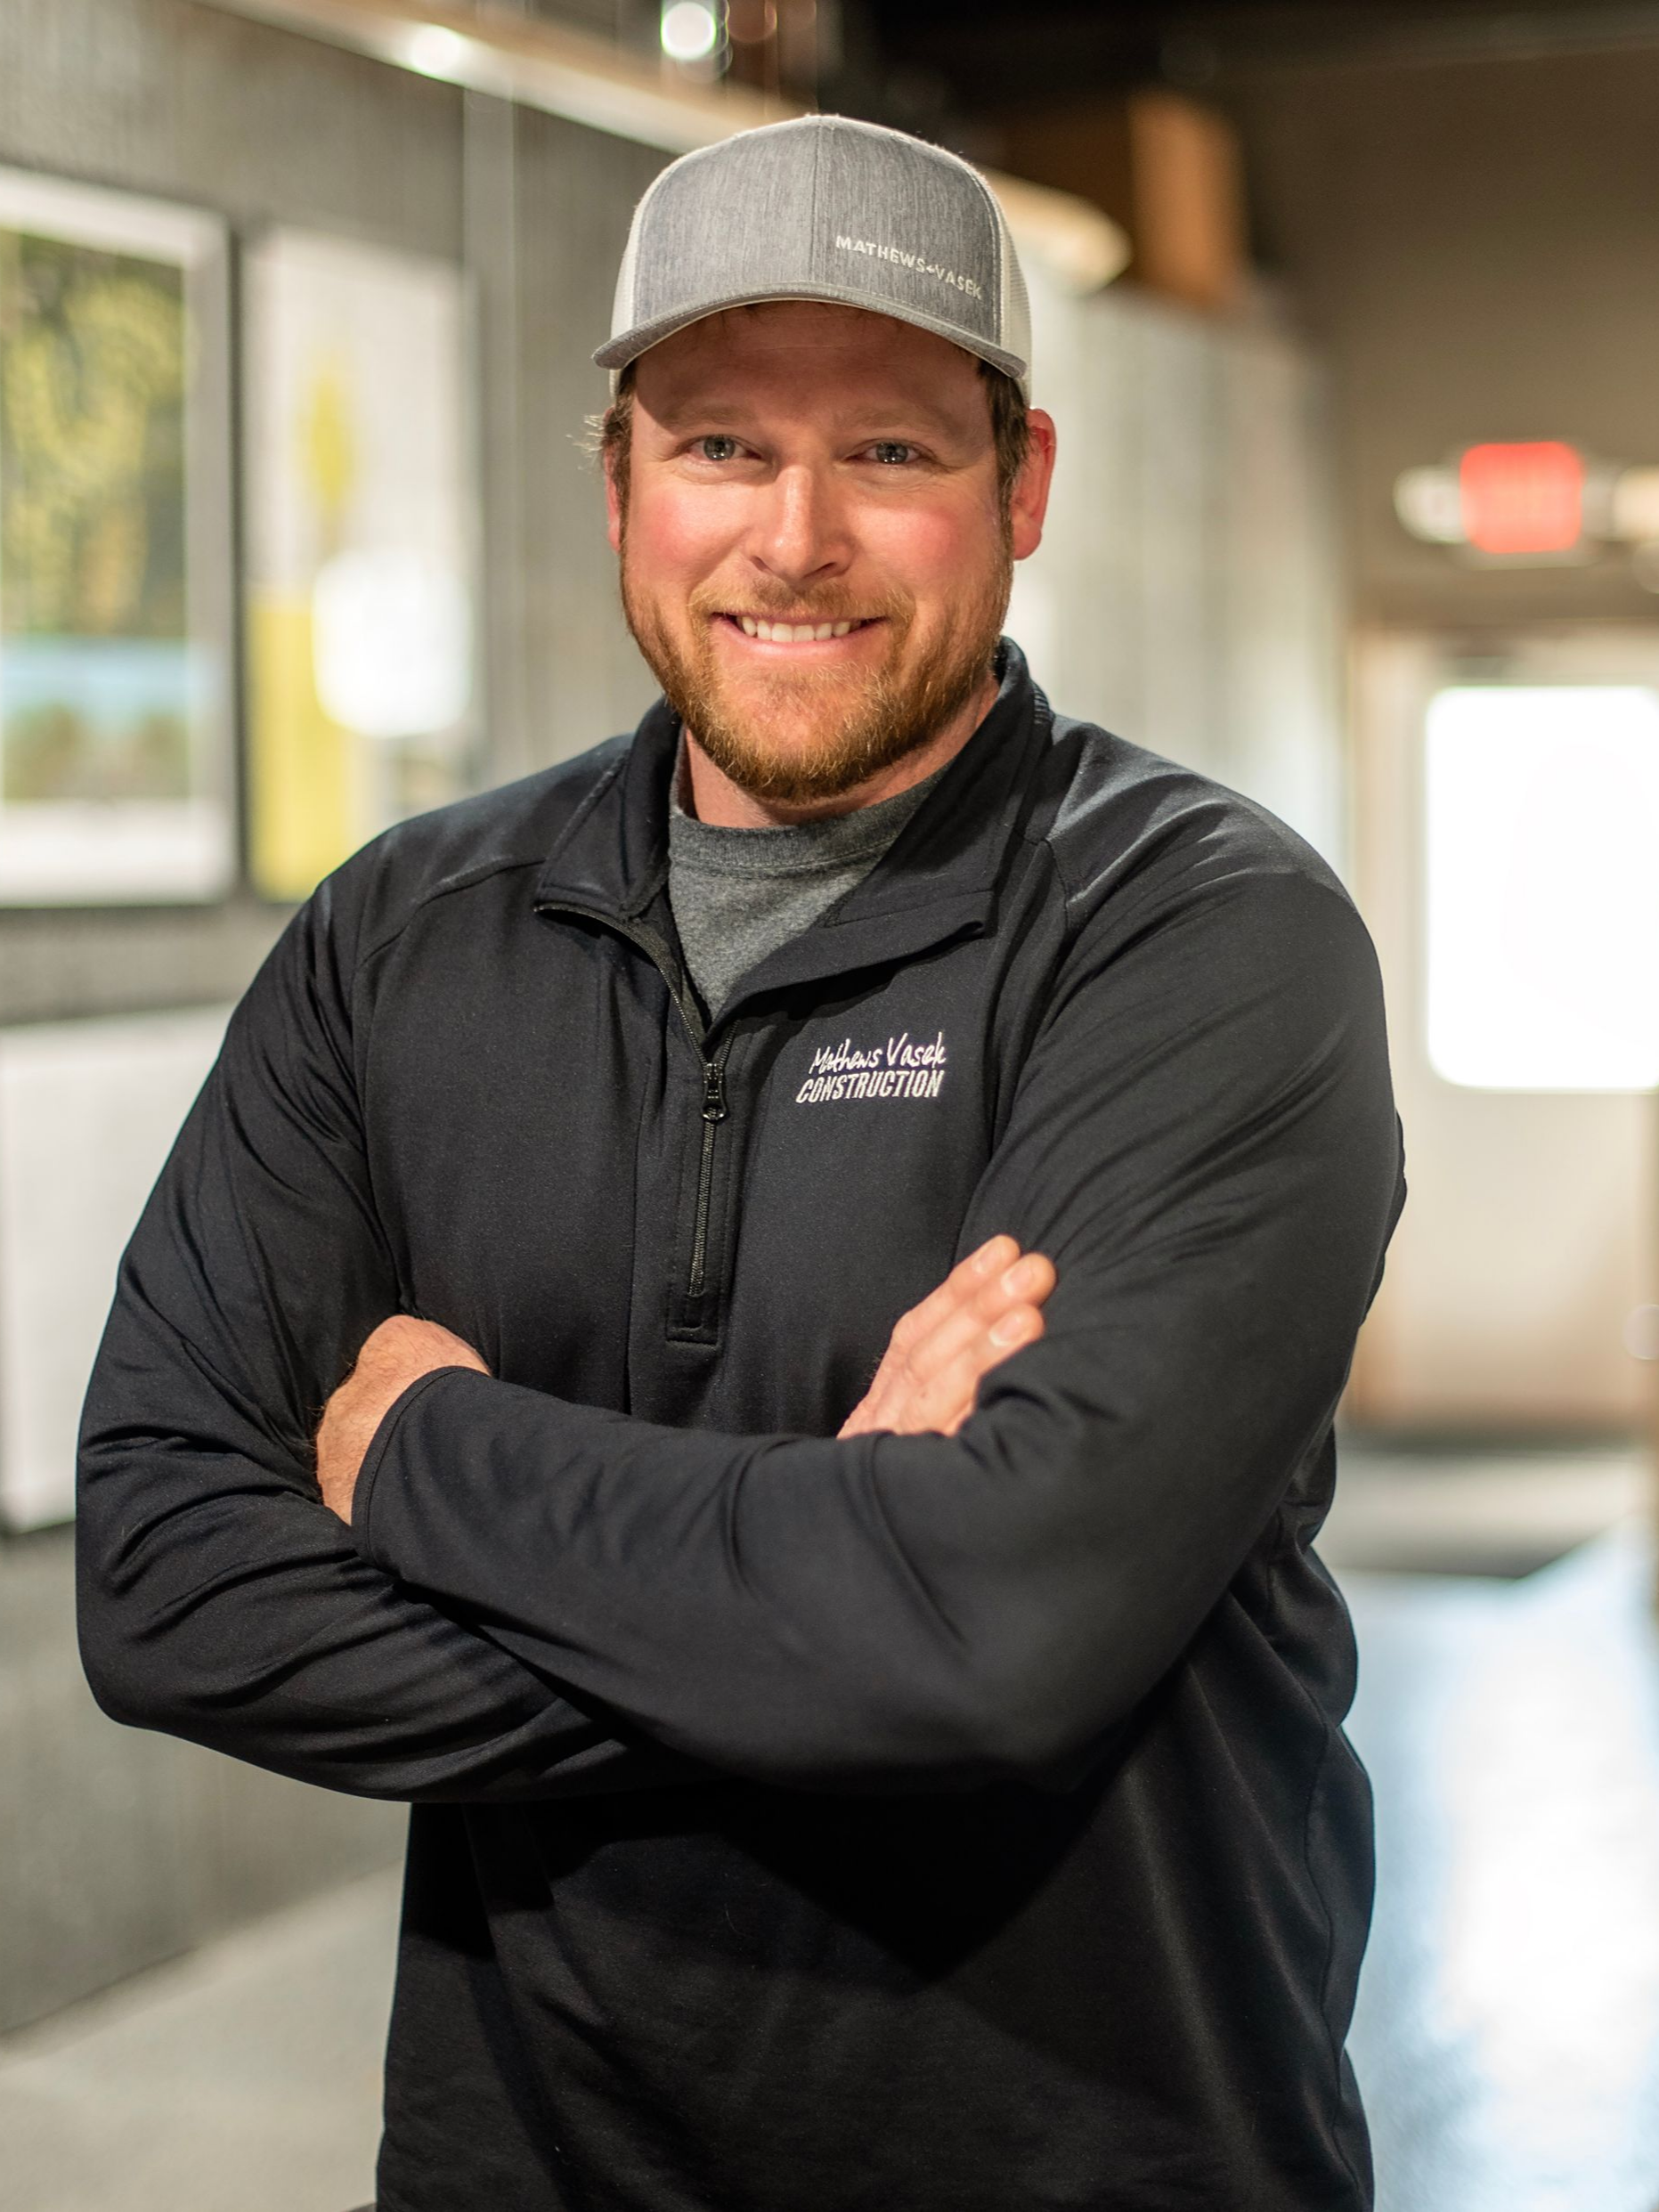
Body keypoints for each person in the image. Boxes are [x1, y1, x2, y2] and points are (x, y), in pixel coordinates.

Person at [77, 114, 1404, 2212]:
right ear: (616, 482)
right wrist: (840, 1580)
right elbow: (159, 1582)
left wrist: (429, 1459)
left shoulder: (1201, 937)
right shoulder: (404, 940)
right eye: (717, 446)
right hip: (529, 2168)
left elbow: (996, 1638)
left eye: (887, 452)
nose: (792, 537)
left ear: (1021, 485)